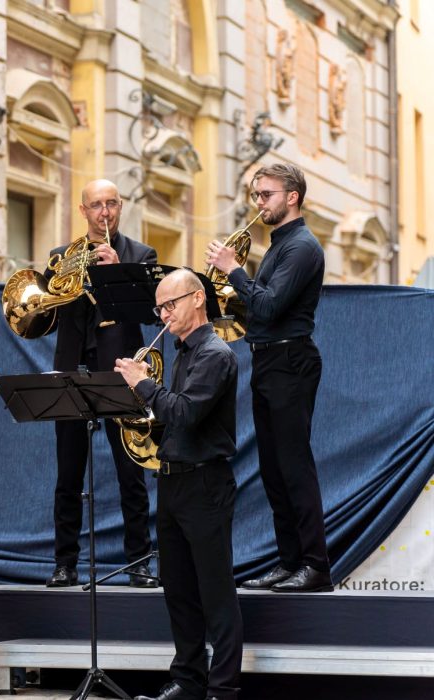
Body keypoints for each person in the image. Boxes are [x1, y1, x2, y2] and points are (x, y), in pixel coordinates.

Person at [115, 268, 243, 700]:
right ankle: (188, 681)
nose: (164, 314)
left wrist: (142, 384)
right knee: (180, 592)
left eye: (170, 304)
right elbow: (173, 420)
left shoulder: (215, 354)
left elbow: (186, 412)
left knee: (216, 594)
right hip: (172, 482)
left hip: (204, 483)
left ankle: (222, 689)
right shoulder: (184, 352)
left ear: (197, 299)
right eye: (160, 308)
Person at [205, 163, 331, 593]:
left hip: (290, 362)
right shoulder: (279, 245)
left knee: (294, 467)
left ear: (292, 197)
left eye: (266, 195)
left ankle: (315, 566)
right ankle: (290, 561)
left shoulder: (303, 247)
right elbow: (257, 309)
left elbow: (270, 306)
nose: (259, 203)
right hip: (268, 362)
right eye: (256, 195)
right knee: (273, 470)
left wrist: (233, 269)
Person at [45, 178, 158, 588]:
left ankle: (140, 562)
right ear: (83, 210)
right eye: (96, 205)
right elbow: (44, 319)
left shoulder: (141, 255)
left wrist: (117, 274)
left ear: (121, 206)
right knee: (68, 474)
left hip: (123, 371)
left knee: (131, 471)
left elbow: (152, 313)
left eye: (111, 203)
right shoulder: (60, 258)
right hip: (72, 371)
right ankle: (65, 563)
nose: (104, 212)